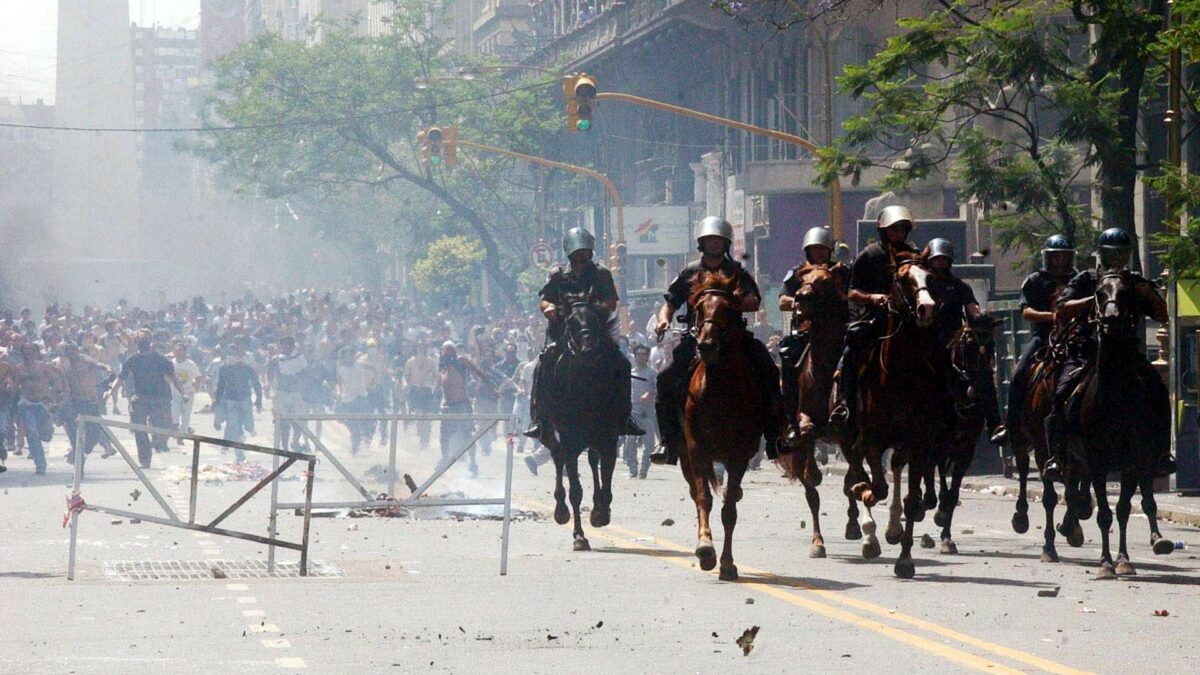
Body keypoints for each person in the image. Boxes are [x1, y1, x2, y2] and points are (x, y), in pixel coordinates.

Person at [649, 216, 787, 465]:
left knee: (768, 371)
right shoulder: (690, 272)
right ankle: (668, 442)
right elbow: (670, 303)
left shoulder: (737, 272)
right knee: (665, 379)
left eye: (718, 240)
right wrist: (663, 320)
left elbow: (754, 301)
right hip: (696, 340)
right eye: (709, 240)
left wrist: (738, 300)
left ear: (726, 243)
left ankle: (775, 437)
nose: (714, 244)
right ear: (702, 243)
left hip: (734, 338)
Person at [1044, 228, 1174, 479]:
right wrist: (1092, 301)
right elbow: (1062, 309)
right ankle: (1056, 457)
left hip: (1127, 353)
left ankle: (1162, 453)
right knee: (1060, 394)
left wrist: (1149, 295)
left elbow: (1162, 315)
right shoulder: (1085, 279)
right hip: (1087, 352)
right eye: (1111, 255)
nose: (1117, 260)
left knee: (1158, 390)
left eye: (1121, 255)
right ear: (1102, 255)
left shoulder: (1135, 281)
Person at [523, 227, 644, 444]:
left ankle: (625, 417)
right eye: (577, 253)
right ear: (569, 252)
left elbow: (611, 302)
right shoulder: (558, 275)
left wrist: (590, 309)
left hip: (596, 332)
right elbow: (545, 299)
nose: (582, 256)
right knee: (542, 365)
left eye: (585, 252)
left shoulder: (601, 274)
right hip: (563, 332)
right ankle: (539, 419)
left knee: (623, 364)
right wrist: (549, 308)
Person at [829, 205, 922, 426]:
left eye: (902, 229)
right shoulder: (869, 255)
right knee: (852, 350)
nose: (898, 233)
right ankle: (845, 403)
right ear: (883, 230)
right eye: (894, 229)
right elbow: (852, 292)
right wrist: (873, 298)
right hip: (875, 318)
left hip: (908, 319)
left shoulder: (914, 256)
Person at [989, 234, 1077, 446]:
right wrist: (1053, 317)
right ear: (1047, 258)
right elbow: (1026, 312)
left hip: (1076, 336)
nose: (1060, 261)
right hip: (1043, 337)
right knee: (1019, 373)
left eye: (1064, 257)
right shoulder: (1035, 280)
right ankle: (1010, 427)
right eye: (1056, 257)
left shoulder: (1078, 279)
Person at [777, 226, 849, 446]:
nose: (818, 252)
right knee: (788, 361)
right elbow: (782, 301)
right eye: (814, 248)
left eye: (822, 248)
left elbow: (851, 296)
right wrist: (801, 301)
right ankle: (791, 422)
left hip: (840, 331)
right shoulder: (798, 272)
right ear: (807, 250)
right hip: (806, 333)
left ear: (829, 250)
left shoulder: (842, 272)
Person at [924, 238, 1003, 438]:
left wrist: (979, 316)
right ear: (930, 261)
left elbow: (972, 308)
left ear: (950, 261)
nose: (940, 263)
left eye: (944, 260)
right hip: (925, 337)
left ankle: (996, 424)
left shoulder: (959, 286)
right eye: (936, 259)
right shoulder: (923, 284)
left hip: (953, 338)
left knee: (983, 372)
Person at [119, 336, 185, 468]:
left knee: (162, 426)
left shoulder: (161, 360)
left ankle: (157, 440)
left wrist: (183, 393)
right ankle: (145, 460)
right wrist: (111, 392)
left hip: (159, 397)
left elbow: (173, 377)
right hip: (140, 397)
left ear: (150, 347)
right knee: (139, 429)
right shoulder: (133, 359)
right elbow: (121, 377)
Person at [57, 341, 114, 464]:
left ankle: (83, 451)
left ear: (77, 350)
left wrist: (108, 370)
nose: (72, 353)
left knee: (93, 436)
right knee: (76, 438)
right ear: (66, 353)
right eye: (69, 351)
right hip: (75, 404)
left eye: (74, 350)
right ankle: (77, 463)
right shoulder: (63, 366)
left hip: (91, 403)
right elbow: (63, 387)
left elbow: (99, 364)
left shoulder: (85, 361)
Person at [438, 341, 488, 478]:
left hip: (462, 405)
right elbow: (439, 387)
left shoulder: (461, 362)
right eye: (445, 350)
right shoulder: (442, 368)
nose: (447, 353)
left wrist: (490, 388)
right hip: (448, 406)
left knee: (467, 435)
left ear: (454, 351)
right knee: (444, 436)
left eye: (450, 350)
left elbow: (478, 372)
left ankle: (472, 463)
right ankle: (444, 459)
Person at [15, 342, 64, 474]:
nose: (28, 353)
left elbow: (56, 380)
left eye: (31, 350)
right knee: (32, 433)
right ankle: (40, 463)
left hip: (43, 403)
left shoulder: (43, 366)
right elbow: (14, 386)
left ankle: (46, 433)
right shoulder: (19, 369)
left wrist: (54, 395)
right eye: (25, 350)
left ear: (36, 352)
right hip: (27, 404)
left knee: (45, 434)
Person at [212, 345, 263, 459]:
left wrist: (259, 400)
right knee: (234, 425)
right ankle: (239, 451)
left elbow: (256, 384)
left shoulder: (247, 368)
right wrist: (217, 400)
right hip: (231, 401)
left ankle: (248, 431)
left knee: (248, 425)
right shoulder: (224, 369)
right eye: (230, 354)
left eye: (234, 354)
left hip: (245, 399)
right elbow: (221, 386)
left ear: (240, 357)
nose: (232, 357)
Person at [267, 336, 308, 451]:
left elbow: (306, 373)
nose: (286, 347)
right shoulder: (276, 360)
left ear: (293, 345)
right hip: (282, 394)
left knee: (298, 423)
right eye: (283, 344)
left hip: (296, 394)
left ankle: (295, 441)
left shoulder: (300, 358)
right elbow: (270, 374)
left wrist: (297, 379)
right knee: (284, 424)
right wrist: (269, 385)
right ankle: (284, 448)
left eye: (288, 344)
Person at [624, 343, 658, 478]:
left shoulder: (652, 373)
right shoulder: (630, 373)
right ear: (635, 356)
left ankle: (644, 468)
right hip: (633, 411)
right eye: (639, 354)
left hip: (647, 412)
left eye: (644, 354)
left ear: (647, 356)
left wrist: (649, 393)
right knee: (630, 441)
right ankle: (633, 468)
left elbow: (658, 388)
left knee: (649, 443)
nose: (641, 357)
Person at [335, 346, 377, 455]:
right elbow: (338, 383)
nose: (349, 358)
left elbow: (373, 370)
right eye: (346, 356)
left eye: (351, 355)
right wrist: (339, 393)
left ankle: (367, 440)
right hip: (348, 400)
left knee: (368, 421)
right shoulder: (340, 369)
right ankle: (355, 447)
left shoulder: (360, 365)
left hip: (361, 398)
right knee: (353, 428)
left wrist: (372, 383)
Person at [402, 340, 438, 451]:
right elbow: (405, 376)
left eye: (424, 347)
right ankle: (420, 436)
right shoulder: (411, 362)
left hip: (426, 391)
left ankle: (425, 440)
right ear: (416, 348)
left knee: (427, 417)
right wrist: (405, 385)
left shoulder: (431, 362)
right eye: (419, 347)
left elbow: (435, 376)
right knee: (418, 415)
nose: (422, 349)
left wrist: (433, 385)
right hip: (415, 391)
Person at [170, 342, 201, 445]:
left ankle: (181, 436)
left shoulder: (190, 364)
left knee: (186, 416)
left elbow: (198, 377)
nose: (179, 353)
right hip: (174, 394)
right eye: (177, 351)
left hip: (188, 394)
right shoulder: (171, 363)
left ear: (185, 352)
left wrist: (194, 388)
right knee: (174, 415)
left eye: (181, 351)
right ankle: (175, 429)